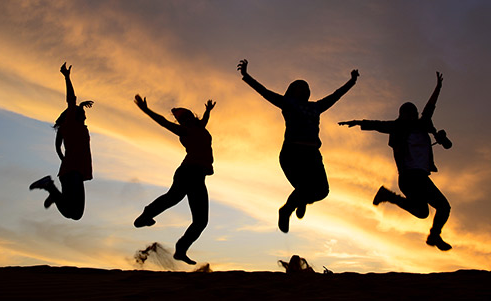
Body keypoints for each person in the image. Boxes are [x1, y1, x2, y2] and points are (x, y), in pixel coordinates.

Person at [237, 59, 359, 233]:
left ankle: (301, 201)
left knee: (322, 191)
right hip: (293, 153)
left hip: (312, 154)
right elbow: (265, 92)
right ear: (292, 91)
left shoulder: (316, 106)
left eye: (306, 87)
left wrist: (352, 82)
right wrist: (247, 76)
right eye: (300, 86)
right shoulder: (288, 103)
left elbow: (335, 96)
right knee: (305, 187)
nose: (304, 89)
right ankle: (286, 210)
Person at [339, 72, 452, 251]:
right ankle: (434, 236)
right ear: (401, 115)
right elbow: (377, 124)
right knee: (443, 206)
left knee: (424, 212)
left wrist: (438, 87)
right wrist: (358, 122)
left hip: (419, 176)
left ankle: (389, 196)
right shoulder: (397, 127)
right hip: (410, 177)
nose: (411, 116)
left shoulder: (424, 125)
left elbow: (430, 107)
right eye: (407, 113)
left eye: (413, 113)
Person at [133, 94, 216, 265]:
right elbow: (163, 122)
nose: (185, 120)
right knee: (174, 198)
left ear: (192, 116)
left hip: (198, 175)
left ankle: (181, 249)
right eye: (182, 119)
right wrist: (146, 109)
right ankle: (146, 215)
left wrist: (207, 111)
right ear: (181, 123)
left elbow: (204, 120)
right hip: (188, 172)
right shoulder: (185, 130)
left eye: (187, 116)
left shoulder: (199, 127)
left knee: (200, 220)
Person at [30, 62, 93, 220]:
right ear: (75, 114)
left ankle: (53, 191)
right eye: (82, 112)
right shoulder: (71, 125)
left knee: (73, 213)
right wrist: (67, 77)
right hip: (73, 172)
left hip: (71, 171)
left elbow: (58, 147)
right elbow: (71, 100)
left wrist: (63, 159)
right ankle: (50, 188)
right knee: (76, 213)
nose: (85, 114)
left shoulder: (73, 127)